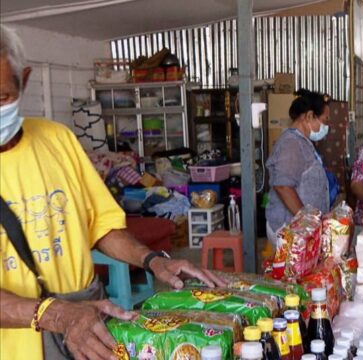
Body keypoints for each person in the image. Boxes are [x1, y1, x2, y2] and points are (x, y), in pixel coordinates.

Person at [0, 25, 226, 360]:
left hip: (88, 325)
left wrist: (152, 261)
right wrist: (57, 314)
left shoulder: (56, 140)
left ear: (25, 79)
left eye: (1, 96)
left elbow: (101, 226)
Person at [265, 89, 331, 245]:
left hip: (300, 229)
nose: (327, 126)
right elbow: (282, 185)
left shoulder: (302, 142)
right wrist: (307, 222)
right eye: (325, 120)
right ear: (309, 116)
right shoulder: (291, 143)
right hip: (289, 229)